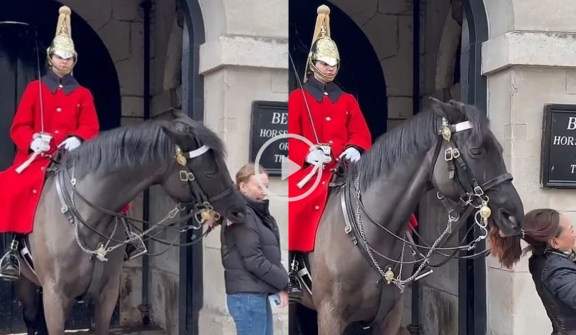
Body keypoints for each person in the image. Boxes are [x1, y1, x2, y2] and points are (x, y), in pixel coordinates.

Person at [286, 4, 419, 303]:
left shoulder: (346, 100)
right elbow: (290, 140)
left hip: (347, 167)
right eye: (324, 63)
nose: (330, 68)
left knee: (390, 199)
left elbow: (360, 132)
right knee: (301, 204)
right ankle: (295, 266)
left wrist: (355, 148)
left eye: (334, 64)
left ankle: (409, 253)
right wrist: (308, 154)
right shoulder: (297, 99)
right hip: (313, 171)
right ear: (313, 64)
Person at [0, 6, 143, 281]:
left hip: (74, 158)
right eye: (59, 57)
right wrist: (32, 140)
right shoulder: (35, 90)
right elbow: (19, 126)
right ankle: (14, 247)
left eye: (68, 58)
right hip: (40, 159)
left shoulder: (83, 94)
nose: (63, 61)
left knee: (110, 183)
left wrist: (78, 138)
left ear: (74, 60)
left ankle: (127, 236)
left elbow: (90, 125)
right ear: (51, 58)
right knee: (14, 185)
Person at [221, 163, 289, 335]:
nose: (264, 191)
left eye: (266, 186)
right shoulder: (242, 214)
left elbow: (269, 255)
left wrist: (280, 285)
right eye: (259, 186)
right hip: (247, 296)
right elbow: (254, 259)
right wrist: (284, 282)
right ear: (243, 187)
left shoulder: (256, 213)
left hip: (256, 294)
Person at [523, 208, 576, 334]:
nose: (575, 234)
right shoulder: (557, 269)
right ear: (554, 242)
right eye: (571, 230)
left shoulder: (541, 258)